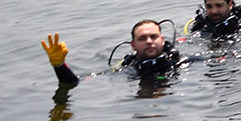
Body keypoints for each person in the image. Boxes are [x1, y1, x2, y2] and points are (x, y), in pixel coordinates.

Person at [41, 19, 183, 93]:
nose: (149, 42)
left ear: (162, 40)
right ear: (133, 45)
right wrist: (59, 66)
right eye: (142, 38)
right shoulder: (126, 70)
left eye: (153, 37)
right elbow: (74, 83)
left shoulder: (183, 63)